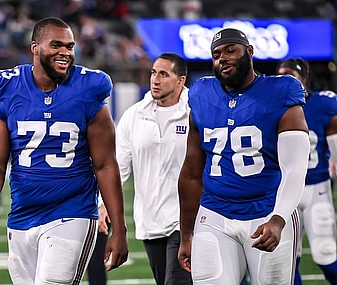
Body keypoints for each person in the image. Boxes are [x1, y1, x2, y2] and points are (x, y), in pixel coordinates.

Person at [0, 16, 128, 285]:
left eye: (70, 47)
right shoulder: (8, 87)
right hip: (22, 214)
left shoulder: (88, 88)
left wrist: (120, 228)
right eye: (56, 45)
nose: (65, 53)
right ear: (35, 48)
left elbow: (105, 164)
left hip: (72, 211)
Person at [178, 28, 310, 285]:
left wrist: (279, 217)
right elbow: (191, 172)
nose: (223, 58)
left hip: (266, 212)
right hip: (214, 212)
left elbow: (295, 168)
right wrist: (186, 234)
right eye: (216, 54)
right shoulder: (202, 93)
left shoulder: (281, 91)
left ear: (249, 52)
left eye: (230, 50)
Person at [116, 52, 192, 285]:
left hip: (187, 221)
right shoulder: (134, 115)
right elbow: (118, 168)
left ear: (180, 81)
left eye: (164, 74)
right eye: (153, 73)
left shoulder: (195, 112)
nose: (155, 80)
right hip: (150, 220)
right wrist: (102, 206)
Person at [277, 58, 337, 284]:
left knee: (325, 254)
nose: (286, 81)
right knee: (288, 261)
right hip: (284, 190)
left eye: (291, 75)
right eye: (281, 76)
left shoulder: (323, 105)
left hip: (316, 189)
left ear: (303, 79)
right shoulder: (272, 107)